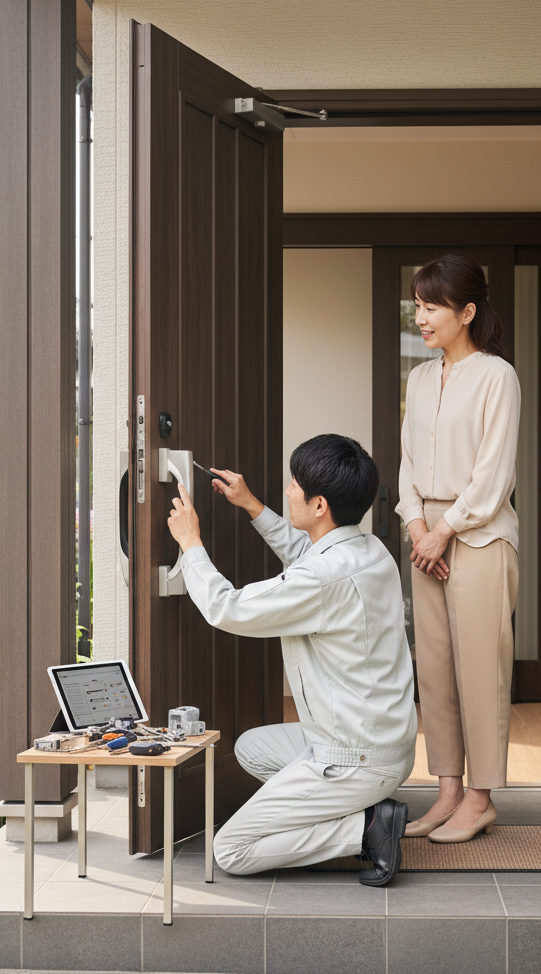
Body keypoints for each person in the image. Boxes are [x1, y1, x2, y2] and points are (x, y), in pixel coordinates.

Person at [166, 434, 417, 887]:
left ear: (319, 505)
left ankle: (367, 830)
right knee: (250, 749)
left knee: (232, 850)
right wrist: (251, 505)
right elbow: (308, 555)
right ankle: (357, 807)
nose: (287, 489)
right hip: (378, 742)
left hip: (355, 756)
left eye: (295, 484)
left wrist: (191, 545)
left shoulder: (325, 577)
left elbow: (229, 608)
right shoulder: (370, 549)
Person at [395, 252, 520, 844]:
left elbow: (493, 474)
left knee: (481, 668)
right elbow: (408, 464)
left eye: (431, 307)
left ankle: (480, 798)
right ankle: (446, 790)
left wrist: (447, 530)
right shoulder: (419, 379)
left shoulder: (498, 376)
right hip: (426, 537)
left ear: (466, 311)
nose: (419, 317)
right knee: (436, 668)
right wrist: (418, 527)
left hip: (480, 533)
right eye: (417, 306)